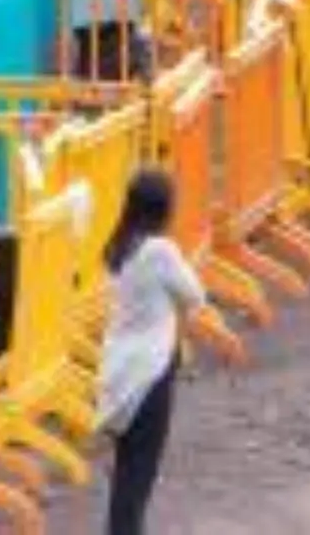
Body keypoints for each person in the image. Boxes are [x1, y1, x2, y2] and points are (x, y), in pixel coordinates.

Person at [97, 169, 211, 535]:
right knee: (138, 478)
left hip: (118, 374)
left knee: (126, 473)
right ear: (164, 209)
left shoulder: (118, 248)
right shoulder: (160, 251)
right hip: (150, 375)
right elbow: (195, 295)